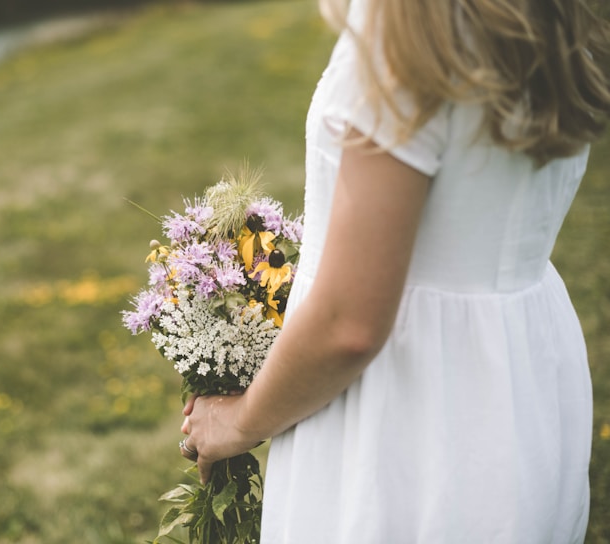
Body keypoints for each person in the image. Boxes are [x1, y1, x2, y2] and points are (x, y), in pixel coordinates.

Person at [178, 0, 610, 541]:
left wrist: (238, 420)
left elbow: (349, 324)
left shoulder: (404, 38)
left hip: (407, 409)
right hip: (517, 372)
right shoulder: (547, 20)